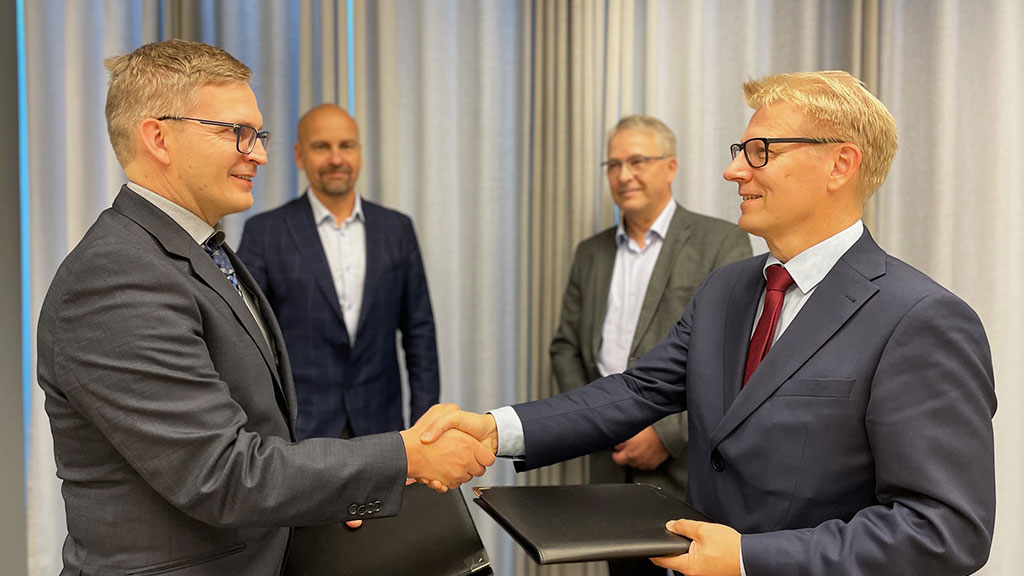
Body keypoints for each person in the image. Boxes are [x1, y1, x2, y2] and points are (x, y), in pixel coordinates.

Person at [421, 70, 996, 576]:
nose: (732, 170)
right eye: (739, 149)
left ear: (840, 164)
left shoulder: (922, 320)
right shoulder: (727, 288)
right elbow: (639, 390)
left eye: (760, 151)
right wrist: (494, 431)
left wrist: (748, 559)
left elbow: (943, 531)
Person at [35, 39, 491, 576]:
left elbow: (259, 426)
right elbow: (221, 473)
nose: (259, 154)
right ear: (159, 137)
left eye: (259, 134)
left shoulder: (205, 250)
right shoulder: (115, 279)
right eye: (236, 133)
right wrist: (406, 455)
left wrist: (342, 486)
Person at [550, 115, 750, 575]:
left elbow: (736, 363)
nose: (624, 175)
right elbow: (565, 348)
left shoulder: (721, 243)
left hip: (682, 463)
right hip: (607, 460)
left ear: (670, 166)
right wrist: (594, 421)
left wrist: (664, 433)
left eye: (638, 160)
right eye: (614, 164)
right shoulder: (590, 253)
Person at [237, 104, 439, 440]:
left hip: (382, 429)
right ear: (299, 156)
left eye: (346, 145)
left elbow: (420, 335)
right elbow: (247, 340)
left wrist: (424, 428)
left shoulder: (396, 229)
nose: (336, 158)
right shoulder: (264, 232)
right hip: (300, 433)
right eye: (321, 147)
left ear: (359, 152)